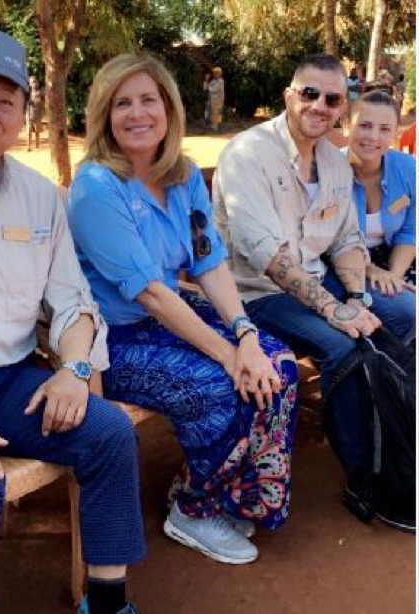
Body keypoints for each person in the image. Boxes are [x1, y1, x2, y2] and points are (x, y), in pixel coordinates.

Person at [0, 30, 188, 614]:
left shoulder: (39, 197)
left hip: (5, 383)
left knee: (108, 432)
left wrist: (75, 369)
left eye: (5, 101)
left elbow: (72, 303)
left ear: (23, 114)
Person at [67, 53, 298, 566]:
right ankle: (192, 510)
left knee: (277, 364)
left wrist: (245, 335)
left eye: (148, 100)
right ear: (104, 115)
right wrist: (228, 354)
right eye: (122, 103)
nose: (137, 113)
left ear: (168, 108)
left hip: (171, 319)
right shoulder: (95, 188)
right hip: (113, 339)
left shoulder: (185, 175)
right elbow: (150, 292)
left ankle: (232, 497)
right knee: (219, 384)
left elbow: (208, 261)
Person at [212, 53, 414, 531]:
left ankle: (399, 442)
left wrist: (357, 298)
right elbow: (267, 257)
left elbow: (346, 241)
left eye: (332, 98)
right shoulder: (248, 155)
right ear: (289, 96)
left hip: (316, 278)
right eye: (310, 94)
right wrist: (336, 311)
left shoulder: (334, 164)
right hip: (257, 293)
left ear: (342, 106)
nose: (320, 105)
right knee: (343, 345)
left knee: (398, 314)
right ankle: (363, 476)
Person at [346, 89, 416, 338]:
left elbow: (409, 231)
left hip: (394, 254)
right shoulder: (330, 171)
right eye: (365, 125)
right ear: (346, 125)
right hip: (345, 260)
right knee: (402, 308)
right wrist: (370, 269)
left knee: (412, 307)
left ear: (395, 134)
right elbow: (328, 242)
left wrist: (393, 277)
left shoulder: (407, 168)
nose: (373, 137)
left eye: (385, 129)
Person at [25, 74, 43, 150]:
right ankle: (28, 146)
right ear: (30, 84)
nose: (34, 83)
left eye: (35, 82)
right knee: (28, 131)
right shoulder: (28, 94)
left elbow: (43, 102)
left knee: (37, 131)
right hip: (29, 115)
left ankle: (37, 146)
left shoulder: (40, 93)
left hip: (37, 114)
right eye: (32, 82)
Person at [208, 67, 224, 132]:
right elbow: (209, 87)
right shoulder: (213, 81)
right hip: (212, 98)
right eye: (214, 73)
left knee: (217, 112)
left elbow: (214, 89)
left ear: (220, 74)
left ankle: (217, 126)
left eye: (217, 73)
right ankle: (213, 125)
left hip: (218, 99)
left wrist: (211, 88)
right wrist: (210, 88)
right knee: (213, 112)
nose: (215, 74)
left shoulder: (221, 81)